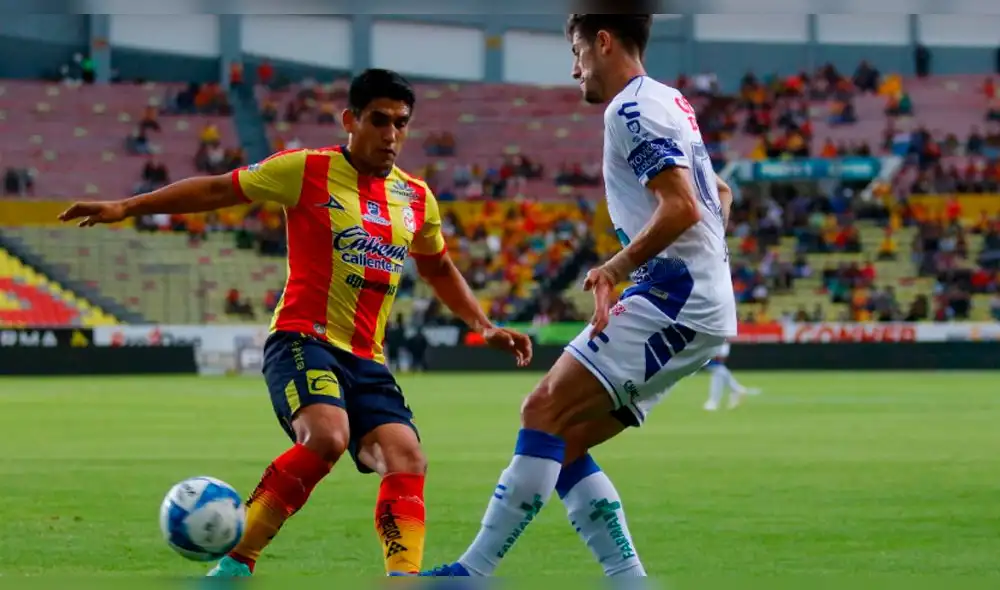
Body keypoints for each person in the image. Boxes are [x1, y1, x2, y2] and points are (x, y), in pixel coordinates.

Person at [58, 68, 532, 577]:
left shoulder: (416, 197)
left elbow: (438, 266)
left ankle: (403, 581)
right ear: (350, 120)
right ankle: (233, 569)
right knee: (326, 438)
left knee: (407, 458)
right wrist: (127, 206)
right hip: (302, 339)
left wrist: (483, 323)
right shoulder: (305, 170)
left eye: (401, 122)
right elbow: (219, 190)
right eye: (379, 120)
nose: (391, 134)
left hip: (367, 357)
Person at [415, 14, 736, 578]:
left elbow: (683, 205)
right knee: (559, 441)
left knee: (541, 409)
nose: (574, 68)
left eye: (577, 51)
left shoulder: (630, 109)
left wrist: (618, 265)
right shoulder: (671, 100)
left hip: (673, 296)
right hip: (695, 298)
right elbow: (720, 195)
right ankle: (628, 578)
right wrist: (705, 257)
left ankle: (473, 572)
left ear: (604, 42)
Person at [703, 341, 761, 411]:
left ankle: (714, 401)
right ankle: (736, 389)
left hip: (717, 338)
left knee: (717, 368)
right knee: (717, 368)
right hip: (715, 339)